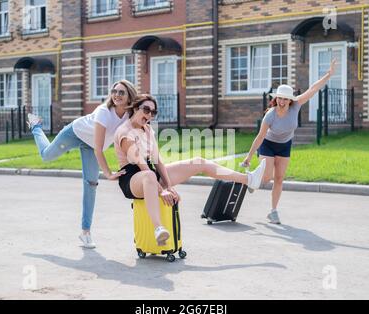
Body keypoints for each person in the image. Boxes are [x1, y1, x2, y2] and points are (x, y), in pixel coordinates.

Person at [114, 94, 267, 246]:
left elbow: (158, 161)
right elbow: (142, 166)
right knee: (148, 175)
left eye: (153, 112)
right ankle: (158, 228)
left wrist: (169, 186)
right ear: (135, 108)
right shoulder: (125, 132)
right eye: (146, 110)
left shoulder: (147, 130)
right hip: (132, 179)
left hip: (149, 174)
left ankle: (249, 180)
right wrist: (162, 191)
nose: (149, 115)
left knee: (199, 162)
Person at [27, 79, 138, 248]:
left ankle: (85, 232)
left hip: (90, 145)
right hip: (75, 133)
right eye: (114, 91)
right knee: (46, 156)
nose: (116, 95)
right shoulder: (104, 112)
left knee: (91, 184)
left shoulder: (130, 116)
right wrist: (108, 173)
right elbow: (99, 149)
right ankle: (36, 126)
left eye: (121, 92)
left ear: (130, 96)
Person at [241, 58, 338, 225]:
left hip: (285, 145)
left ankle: (273, 211)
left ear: (290, 100)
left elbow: (313, 89)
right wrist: (248, 157)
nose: (282, 101)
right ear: (276, 98)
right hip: (268, 145)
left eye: (285, 99)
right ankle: (253, 179)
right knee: (266, 178)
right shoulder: (270, 115)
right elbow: (260, 136)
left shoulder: (296, 105)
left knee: (279, 179)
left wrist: (328, 74)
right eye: (280, 98)